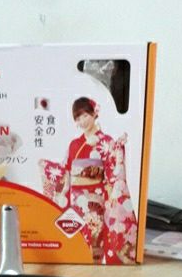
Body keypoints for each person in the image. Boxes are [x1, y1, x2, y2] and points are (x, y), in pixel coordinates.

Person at [40, 97, 137, 264]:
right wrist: (46, 167)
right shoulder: (74, 144)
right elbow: (65, 171)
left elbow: (113, 171)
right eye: (78, 118)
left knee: (96, 239)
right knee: (78, 241)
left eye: (85, 116)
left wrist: (118, 148)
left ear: (94, 114)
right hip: (77, 202)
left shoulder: (106, 142)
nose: (82, 121)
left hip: (96, 202)